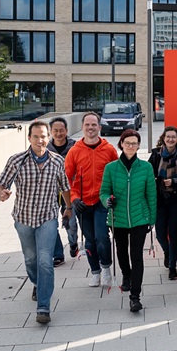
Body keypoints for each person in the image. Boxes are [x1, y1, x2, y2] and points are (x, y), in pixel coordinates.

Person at [0, 121, 70, 324]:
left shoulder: (57, 161)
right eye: (36, 136)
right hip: (24, 219)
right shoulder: (16, 160)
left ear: (49, 137)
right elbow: (0, 184)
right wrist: (2, 193)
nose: (40, 140)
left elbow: (64, 187)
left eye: (44, 136)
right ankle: (37, 282)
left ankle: (43, 307)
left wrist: (69, 209)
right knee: (31, 259)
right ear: (29, 138)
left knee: (46, 260)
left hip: (47, 217)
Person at [100, 129, 157, 312]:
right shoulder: (111, 168)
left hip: (140, 218)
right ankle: (126, 275)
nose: (131, 146)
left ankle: (135, 296)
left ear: (139, 145)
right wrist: (106, 200)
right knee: (122, 252)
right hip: (118, 218)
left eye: (134, 143)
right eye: (127, 143)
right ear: (121, 144)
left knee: (137, 256)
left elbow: (151, 195)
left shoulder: (146, 168)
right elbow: (104, 192)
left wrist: (152, 219)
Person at [65, 112, 118, 287]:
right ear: (82, 127)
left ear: (99, 127)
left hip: (102, 202)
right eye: (87, 125)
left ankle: (106, 268)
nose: (90, 128)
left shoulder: (109, 149)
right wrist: (73, 199)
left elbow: (116, 175)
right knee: (89, 239)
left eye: (94, 125)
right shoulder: (74, 151)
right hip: (82, 203)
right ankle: (94, 271)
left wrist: (113, 196)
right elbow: (67, 179)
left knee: (102, 237)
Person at [148, 126, 177, 280]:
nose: (171, 139)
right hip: (159, 199)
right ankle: (167, 251)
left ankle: (172, 265)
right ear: (163, 138)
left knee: (173, 233)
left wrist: (174, 181)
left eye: (174, 137)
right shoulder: (155, 156)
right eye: (168, 136)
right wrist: (158, 182)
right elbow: (148, 175)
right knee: (159, 234)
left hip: (176, 201)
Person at [48, 117, 77, 266]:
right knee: (51, 224)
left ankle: (73, 242)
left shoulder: (75, 147)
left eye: (61, 130)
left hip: (70, 191)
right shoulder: (45, 149)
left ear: (66, 131)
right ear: (51, 132)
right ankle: (58, 254)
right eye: (55, 131)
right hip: (50, 193)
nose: (59, 133)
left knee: (70, 224)